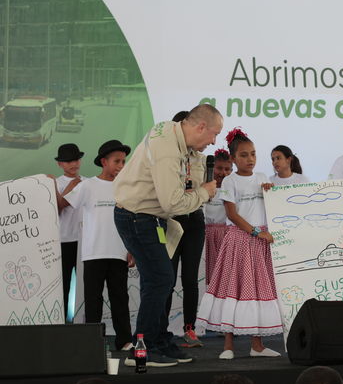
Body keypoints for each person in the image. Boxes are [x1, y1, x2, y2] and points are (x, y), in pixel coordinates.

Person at [114, 104, 221, 367]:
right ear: (200, 127)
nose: (214, 141)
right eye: (213, 134)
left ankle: (159, 341)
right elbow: (174, 203)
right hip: (138, 217)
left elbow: (186, 190)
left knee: (160, 279)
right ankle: (143, 348)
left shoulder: (178, 139)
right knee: (160, 279)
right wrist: (205, 193)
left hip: (150, 218)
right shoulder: (167, 150)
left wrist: (196, 160)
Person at [197, 127, 283, 360]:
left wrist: (271, 194)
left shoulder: (264, 178)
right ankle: (228, 345)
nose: (250, 159)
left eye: (253, 154)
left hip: (260, 242)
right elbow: (232, 214)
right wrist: (256, 232)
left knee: (256, 291)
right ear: (233, 159)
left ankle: (257, 345)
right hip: (240, 240)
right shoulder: (230, 181)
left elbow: (273, 207)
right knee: (233, 289)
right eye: (244, 155)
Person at [62, 140, 133, 352]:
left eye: (123, 161)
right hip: (93, 252)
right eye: (116, 161)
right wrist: (63, 184)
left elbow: (130, 219)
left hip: (119, 251)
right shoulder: (87, 185)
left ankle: (124, 340)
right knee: (93, 299)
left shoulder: (126, 187)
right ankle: (94, 341)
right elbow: (64, 203)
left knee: (120, 297)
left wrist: (131, 248)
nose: (121, 165)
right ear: (104, 161)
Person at [163, 110, 207, 348]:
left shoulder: (199, 156)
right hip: (172, 220)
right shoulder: (168, 154)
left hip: (195, 220)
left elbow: (202, 191)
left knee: (190, 278)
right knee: (167, 278)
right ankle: (162, 330)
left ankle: (189, 329)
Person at [53, 143, 86, 322]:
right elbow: (56, 209)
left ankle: (82, 321)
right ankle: (62, 321)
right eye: (67, 161)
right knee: (63, 284)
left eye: (75, 159)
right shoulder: (55, 184)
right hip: (63, 240)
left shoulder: (88, 182)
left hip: (84, 242)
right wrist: (72, 186)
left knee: (84, 285)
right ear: (60, 164)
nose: (73, 164)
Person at [204, 148, 233, 285]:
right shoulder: (204, 186)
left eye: (227, 169)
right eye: (219, 168)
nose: (223, 173)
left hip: (226, 236)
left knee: (226, 277)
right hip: (205, 237)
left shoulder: (233, 189)